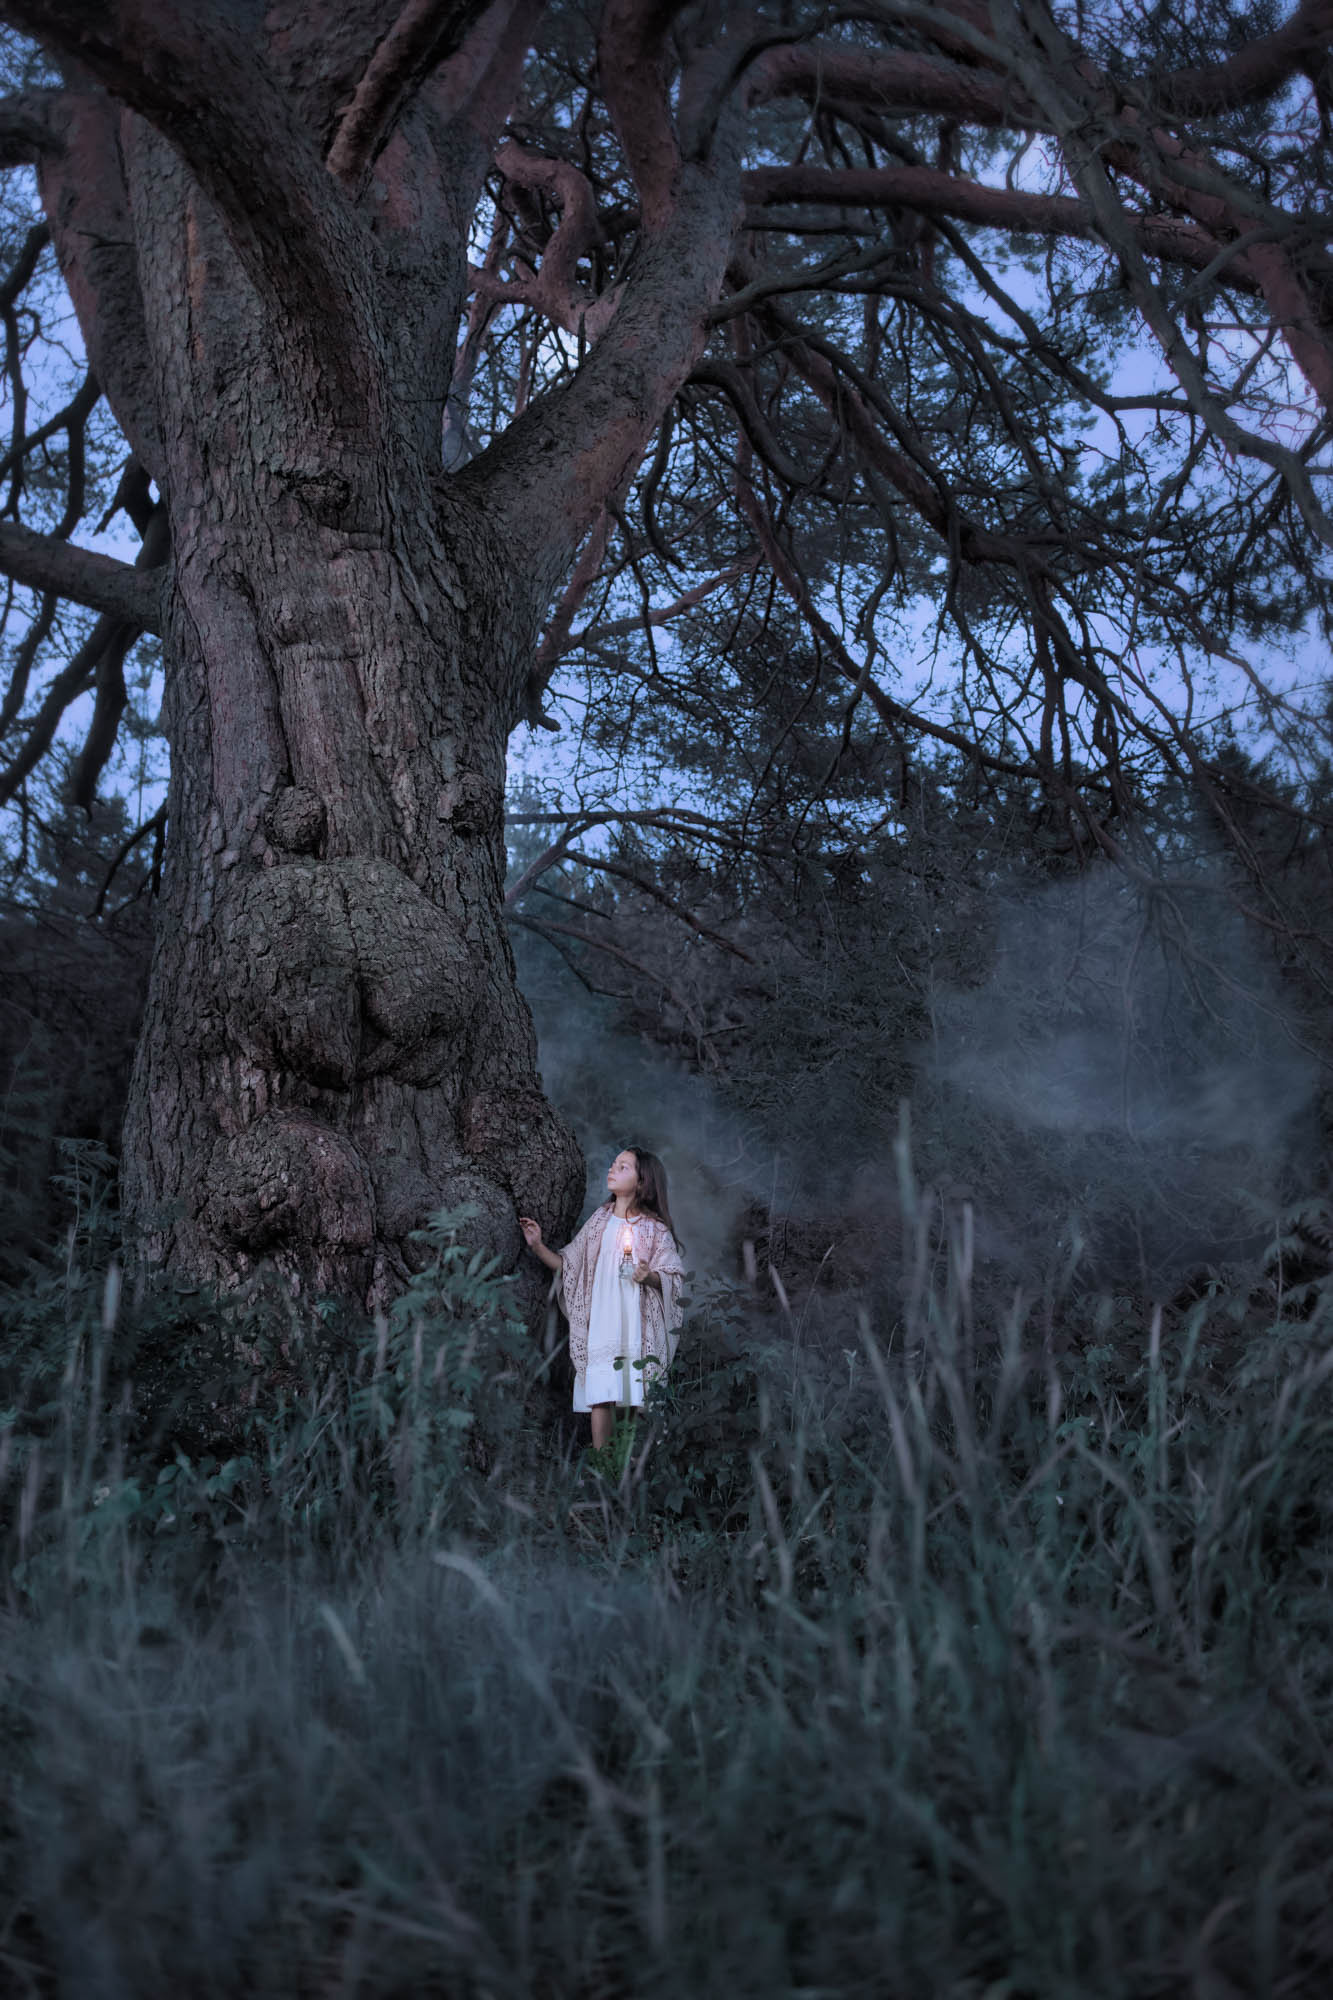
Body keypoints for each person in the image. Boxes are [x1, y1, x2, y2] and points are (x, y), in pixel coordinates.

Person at [519, 1147, 685, 1453]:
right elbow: (570, 1266)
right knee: (601, 1392)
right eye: (613, 1164)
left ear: (642, 1182)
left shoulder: (654, 1230)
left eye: (623, 1167)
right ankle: (603, 1465)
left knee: (632, 1389)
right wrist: (538, 1246)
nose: (612, 1169)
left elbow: (673, 1278)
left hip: (634, 1322)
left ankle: (627, 1465)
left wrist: (648, 1276)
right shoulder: (600, 1221)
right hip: (602, 1319)